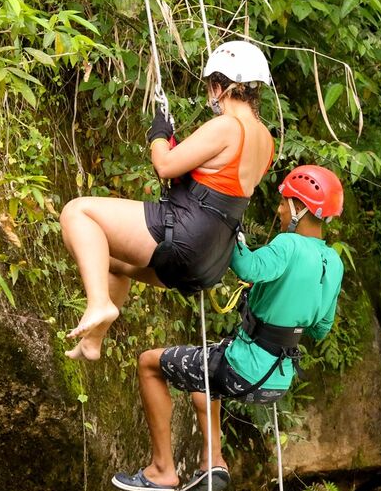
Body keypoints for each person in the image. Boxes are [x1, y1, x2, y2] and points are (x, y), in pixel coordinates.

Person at [112, 165, 345, 491]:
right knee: (203, 381)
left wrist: (229, 228)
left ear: (301, 208)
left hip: (242, 369)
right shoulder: (332, 263)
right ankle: (212, 461)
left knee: (149, 364)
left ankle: (161, 469)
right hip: (276, 381)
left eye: (284, 203)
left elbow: (249, 267)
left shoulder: (288, 245)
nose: (279, 209)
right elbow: (321, 329)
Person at [59, 40, 276, 361]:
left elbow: (165, 165)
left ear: (220, 86)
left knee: (77, 213)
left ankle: (99, 304)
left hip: (185, 234)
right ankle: (93, 342)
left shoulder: (228, 126)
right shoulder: (266, 140)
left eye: (210, 88)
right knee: (108, 260)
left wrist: (159, 134)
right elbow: (215, 179)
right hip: (210, 258)